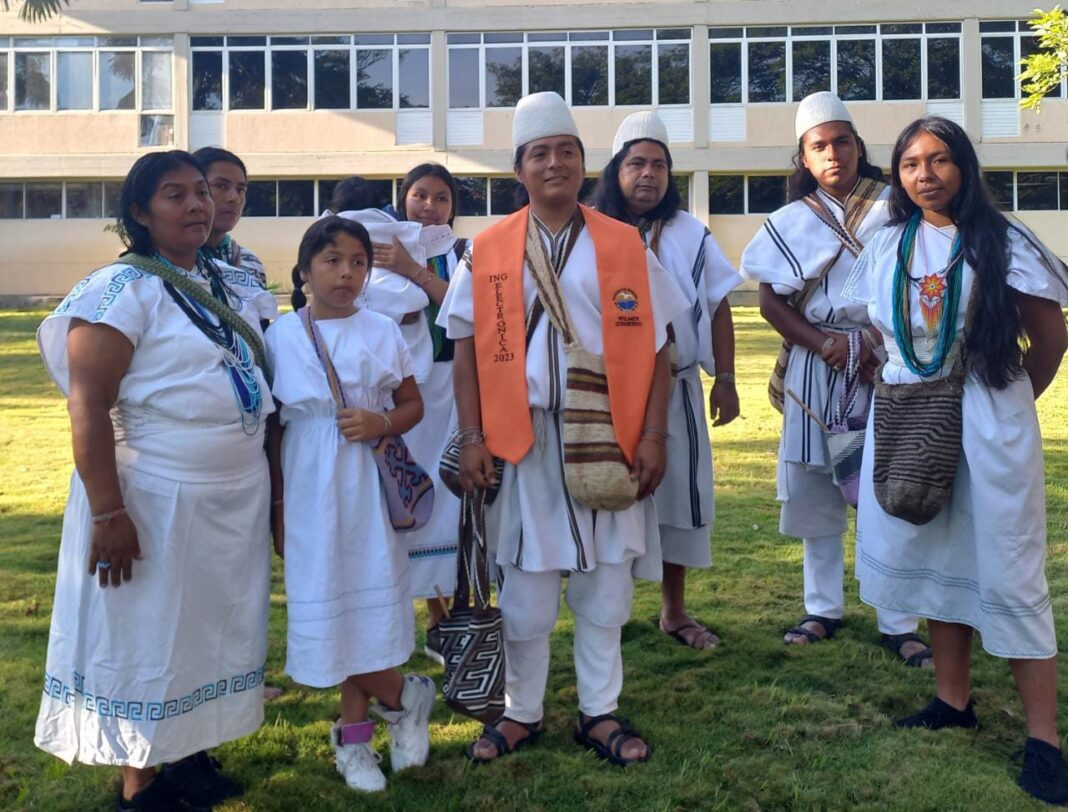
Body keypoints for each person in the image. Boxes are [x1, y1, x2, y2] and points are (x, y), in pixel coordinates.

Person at [439, 91, 688, 766]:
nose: (555, 164)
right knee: (525, 591)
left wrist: (656, 435)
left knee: (605, 589)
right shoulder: (487, 249)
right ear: (519, 168)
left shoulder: (624, 243)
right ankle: (521, 711)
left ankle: (599, 711)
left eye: (568, 152)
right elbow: (463, 346)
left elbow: (660, 347)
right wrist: (470, 436)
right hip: (521, 441)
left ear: (584, 163)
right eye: (540, 153)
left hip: (609, 438)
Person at [34, 150, 276, 812]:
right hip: (153, 496)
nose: (197, 204)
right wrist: (108, 513)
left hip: (231, 498)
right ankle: (140, 785)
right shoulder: (118, 291)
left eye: (202, 191)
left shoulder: (228, 282)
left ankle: (189, 758)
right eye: (175, 194)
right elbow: (88, 404)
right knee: (146, 634)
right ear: (140, 212)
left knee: (204, 631)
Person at [845, 116, 1068, 804]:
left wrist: (1007, 406)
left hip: (988, 425)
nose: (925, 174)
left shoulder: (1002, 241)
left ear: (964, 168)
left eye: (939, 159)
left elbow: (1050, 339)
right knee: (937, 554)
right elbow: (883, 332)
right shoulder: (887, 243)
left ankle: (1044, 740)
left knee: (1009, 567)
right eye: (911, 163)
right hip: (910, 421)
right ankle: (952, 700)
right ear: (898, 175)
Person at [740, 92, 931, 667]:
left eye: (842, 142)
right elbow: (770, 302)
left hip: (884, 360)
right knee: (815, 490)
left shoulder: (896, 206)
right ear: (803, 157)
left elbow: (917, 281)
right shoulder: (789, 220)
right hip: (814, 362)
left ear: (857, 146)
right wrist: (825, 344)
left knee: (885, 486)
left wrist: (870, 340)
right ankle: (821, 608)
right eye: (819, 146)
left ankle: (897, 619)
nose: (833, 154)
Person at [265, 216, 435, 793]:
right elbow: (274, 429)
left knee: (364, 610)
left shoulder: (382, 330)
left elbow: (413, 405)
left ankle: (354, 740)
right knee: (331, 607)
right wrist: (279, 508)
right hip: (309, 487)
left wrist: (380, 421)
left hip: (367, 484)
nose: (346, 273)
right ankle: (404, 698)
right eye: (332, 261)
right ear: (305, 270)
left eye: (358, 262)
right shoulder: (281, 336)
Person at [592, 111, 741, 650]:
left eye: (659, 165)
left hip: (676, 387)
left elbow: (718, 305)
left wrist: (725, 378)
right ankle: (606, 611)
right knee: (609, 495)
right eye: (637, 163)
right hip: (606, 394)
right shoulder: (589, 229)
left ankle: (674, 611)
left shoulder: (690, 233)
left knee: (678, 498)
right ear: (616, 170)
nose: (648, 174)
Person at [370, 163, 468, 663]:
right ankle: (391, 619)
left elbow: (465, 309)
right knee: (399, 496)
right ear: (403, 197)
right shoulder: (376, 245)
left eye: (441, 198)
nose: (429, 206)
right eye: (420, 195)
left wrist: (413, 272)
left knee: (446, 500)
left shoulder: (463, 252)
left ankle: (441, 616)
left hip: (450, 392)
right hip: (397, 397)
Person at [192, 147, 268, 288]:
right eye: (221, 186)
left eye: (241, 190)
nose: (234, 198)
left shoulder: (250, 262)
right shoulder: (173, 262)